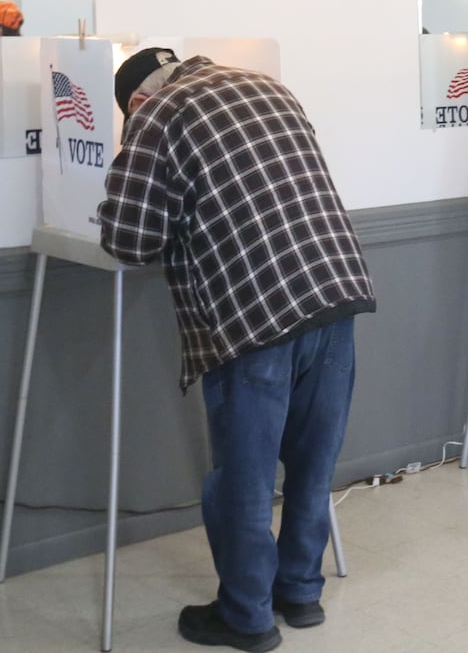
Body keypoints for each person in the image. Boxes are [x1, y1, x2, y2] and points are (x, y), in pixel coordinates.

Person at [102, 48, 376, 652]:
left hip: (252, 314)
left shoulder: (159, 113)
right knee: (311, 464)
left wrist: (128, 157)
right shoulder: (268, 86)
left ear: (136, 101)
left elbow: (129, 239)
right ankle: (300, 593)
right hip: (336, 293)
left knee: (243, 480)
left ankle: (246, 617)